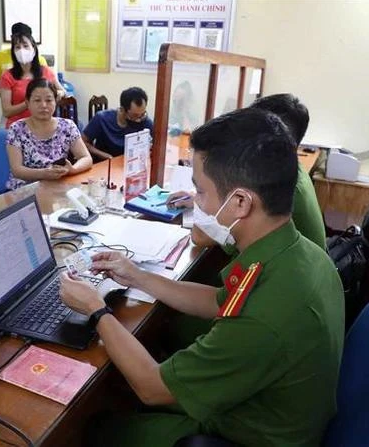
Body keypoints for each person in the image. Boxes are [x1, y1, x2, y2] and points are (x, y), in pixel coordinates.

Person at [60, 108, 345, 446]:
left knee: (98, 430)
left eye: (201, 191)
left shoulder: (267, 314)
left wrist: (96, 311)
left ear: (240, 202)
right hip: (266, 407)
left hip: (247, 435)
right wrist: (136, 276)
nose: (198, 203)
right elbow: (218, 301)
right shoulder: (298, 255)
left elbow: (152, 388)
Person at [168, 93, 326, 251]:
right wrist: (205, 198)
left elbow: (200, 237)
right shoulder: (289, 171)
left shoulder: (276, 187)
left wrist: (204, 202)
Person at [5, 79, 92, 190]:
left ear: (55, 101)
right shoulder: (16, 129)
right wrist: (44, 173)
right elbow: (17, 170)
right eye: (37, 100)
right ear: (27, 103)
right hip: (26, 192)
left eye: (49, 100)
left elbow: (86, 158)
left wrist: (72, 169)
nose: (43, 105)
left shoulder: (67, 126)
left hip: (58, 186)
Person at [0, 30, 65, 128]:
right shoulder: (7, 76)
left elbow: (63, 91)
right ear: (13, 52)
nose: (22, 50)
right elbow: (7, 111)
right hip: (18, 127)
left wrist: (59, 93)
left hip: (44, 125)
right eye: (17, 47)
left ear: (33, 49)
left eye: (25, 46)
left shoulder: (45, 71)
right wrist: (30, 102)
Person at [82, 87, 154, 160]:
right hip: (105, 164)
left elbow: (157, 141)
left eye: (142, 114)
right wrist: (104, 155)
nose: (139, 120)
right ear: (122, 109)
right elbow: (83, 142)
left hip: (130, 163)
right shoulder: (102, 118)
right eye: (134, 116)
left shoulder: (144, 120)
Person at [0, 22, 48, 97]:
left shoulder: (40, 60)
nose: (22, 49)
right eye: (17, 40)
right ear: (12, 38)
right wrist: (8, 98)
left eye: (25, 44)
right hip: (11, 105)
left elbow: (48, 86)